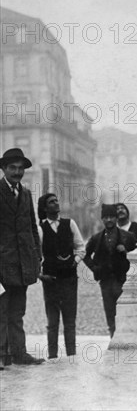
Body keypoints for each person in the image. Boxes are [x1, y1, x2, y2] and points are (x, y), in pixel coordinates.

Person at [0, 148, 44, 368]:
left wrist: (37, 256)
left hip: (22, 264)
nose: (17, 172)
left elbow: (32, 228)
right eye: (12, 168)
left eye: (20, 169)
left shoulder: (25, 194)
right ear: (3, 169)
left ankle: (19, 353)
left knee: (18, 311)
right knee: (1, 310)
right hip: (1, 264)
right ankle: (1, 356)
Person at [37, 193, 85, 360]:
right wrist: (41, 276)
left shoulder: (69, 224)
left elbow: (80, 247)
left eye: (57, 200)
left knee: (70, 321)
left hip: (70, 280)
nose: (56, 204)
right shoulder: (40, 229)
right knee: (52, 323)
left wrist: (75, 261)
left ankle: (72, 356)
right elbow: (36, 255)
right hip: (51, 281)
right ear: (44, 208)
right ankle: (52, 357)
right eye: (51, 202)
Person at [84, 204, 137, 337]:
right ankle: (113, 338)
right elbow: (84, 254)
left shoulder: (128, 236)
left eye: (112, 217)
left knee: (124, 311)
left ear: (116, 218)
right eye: (106, 217)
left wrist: (125, 251)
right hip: (105, 281)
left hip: (123, 281)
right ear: (102, 219)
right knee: (109, 310)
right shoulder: (96, 238)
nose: (109, 220)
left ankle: (125, 338)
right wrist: (95, 268)